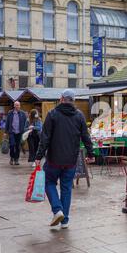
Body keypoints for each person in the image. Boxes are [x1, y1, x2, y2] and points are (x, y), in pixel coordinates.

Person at [35, 89, 95, 229]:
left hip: (54, 159)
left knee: (48, 182)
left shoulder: (52, 114)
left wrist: (38, 156)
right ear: (72, 100)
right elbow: (86, 137)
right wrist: (91, 154)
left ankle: (57, 210)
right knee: (66, 188)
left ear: (61, 98)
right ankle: (65, 220)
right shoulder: (79, 116)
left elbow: (45, 138)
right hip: (71, 161)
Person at [4, 101, 27, 166]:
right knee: (12, 145)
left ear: (20, 106)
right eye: (16, 105)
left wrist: (25, 132)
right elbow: (7, 122)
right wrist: (5, 132)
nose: (17, 106)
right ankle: (12, 158)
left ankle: (16, 159)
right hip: (12, 132)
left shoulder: (23, 113)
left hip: (20, 132)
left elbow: (25, 123)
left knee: (17, 146)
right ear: (14, 106)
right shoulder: (10, 113)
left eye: (18, 105)